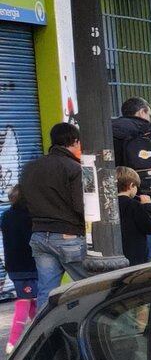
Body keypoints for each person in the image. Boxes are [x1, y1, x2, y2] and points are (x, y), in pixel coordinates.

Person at [17, 122, 88, 309]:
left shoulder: (30, 168)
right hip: (68, 236)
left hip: (39, 236)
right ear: (75, 141)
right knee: (92, 287)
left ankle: (42, 334)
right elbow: (81, 206)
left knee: (46, 293)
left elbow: (22, 202)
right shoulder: (74, 168)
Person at [111, 97, 151, 258]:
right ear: (142, 111)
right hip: (148, 198)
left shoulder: (108, 130)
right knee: (144, 254)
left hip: (112, 199)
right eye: (149, 114)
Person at [4, 187, 37, 350]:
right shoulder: (29, 217)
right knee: (24, 300)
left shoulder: (6, 215)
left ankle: (42, 332)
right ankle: (13, 341)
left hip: (13, 266)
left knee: (32, 300)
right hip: (28, 265)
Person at [115, 169, 151, 267]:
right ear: (131, 186)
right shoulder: (135, 205)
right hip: (135, 255)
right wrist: (148, 206)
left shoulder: (109, 204)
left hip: (116, 252)